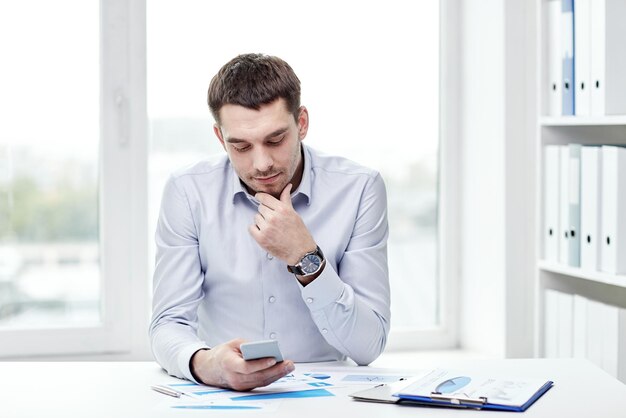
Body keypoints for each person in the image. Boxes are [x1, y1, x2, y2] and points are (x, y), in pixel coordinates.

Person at [149, 53, 390, 391]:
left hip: (328, 398)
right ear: (220, 138)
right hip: (221, 398)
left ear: (301, 123)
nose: (261, 164)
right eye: (241, 146)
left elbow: (368, 346)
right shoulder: (188, 192)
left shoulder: (359, 189)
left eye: (275, 140)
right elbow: (167, 324)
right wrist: (208, 364)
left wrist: (305, 256)